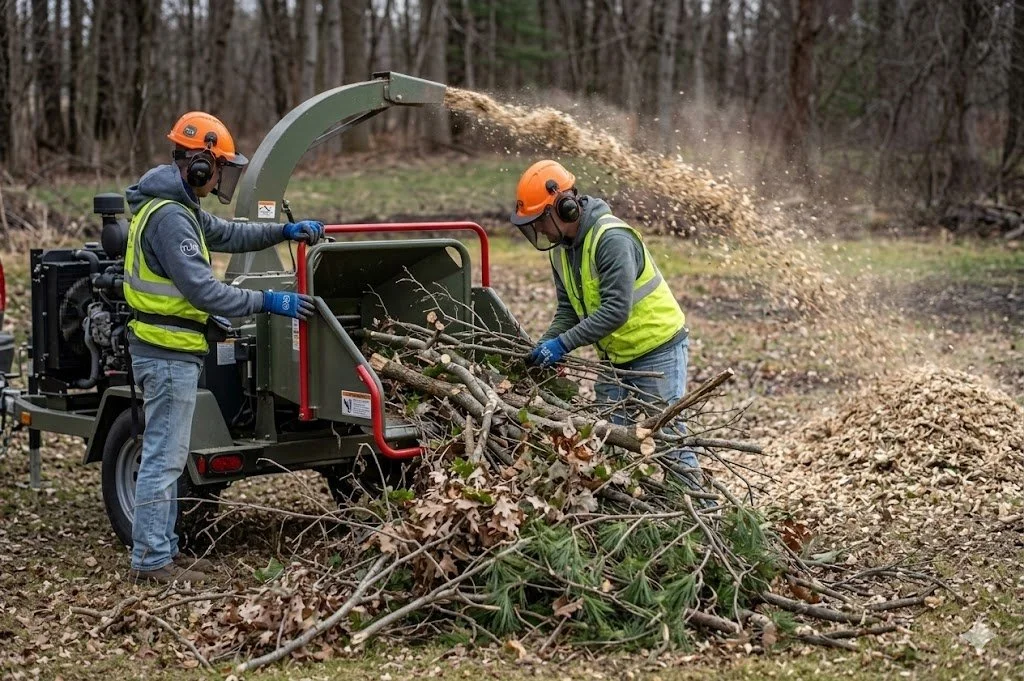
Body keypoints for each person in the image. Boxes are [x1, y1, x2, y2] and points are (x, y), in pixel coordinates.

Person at [123, 111, 324, 584]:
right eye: (218, 167)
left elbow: (229, 234)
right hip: (167, 350)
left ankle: (163, 550)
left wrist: (282, 231)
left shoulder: (177, 207)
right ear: (197, 164)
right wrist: (268, 300)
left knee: (166, 455)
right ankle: (152, 562)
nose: (219, 178)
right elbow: (206, 293)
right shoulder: (170, 218)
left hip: (171, 348)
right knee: (165, 458)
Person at [511, 160, 701, 481]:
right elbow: (568, 311)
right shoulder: (560, 251)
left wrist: (563, 344)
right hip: (614, 360)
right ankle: (621, 510)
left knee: (670, 443)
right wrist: (547, 343)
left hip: (657, 352)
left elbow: (616, 310)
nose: (539, 230)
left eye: (539, 220)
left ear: (565, 207)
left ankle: (703, 515)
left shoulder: (611, 239)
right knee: (604, 439)